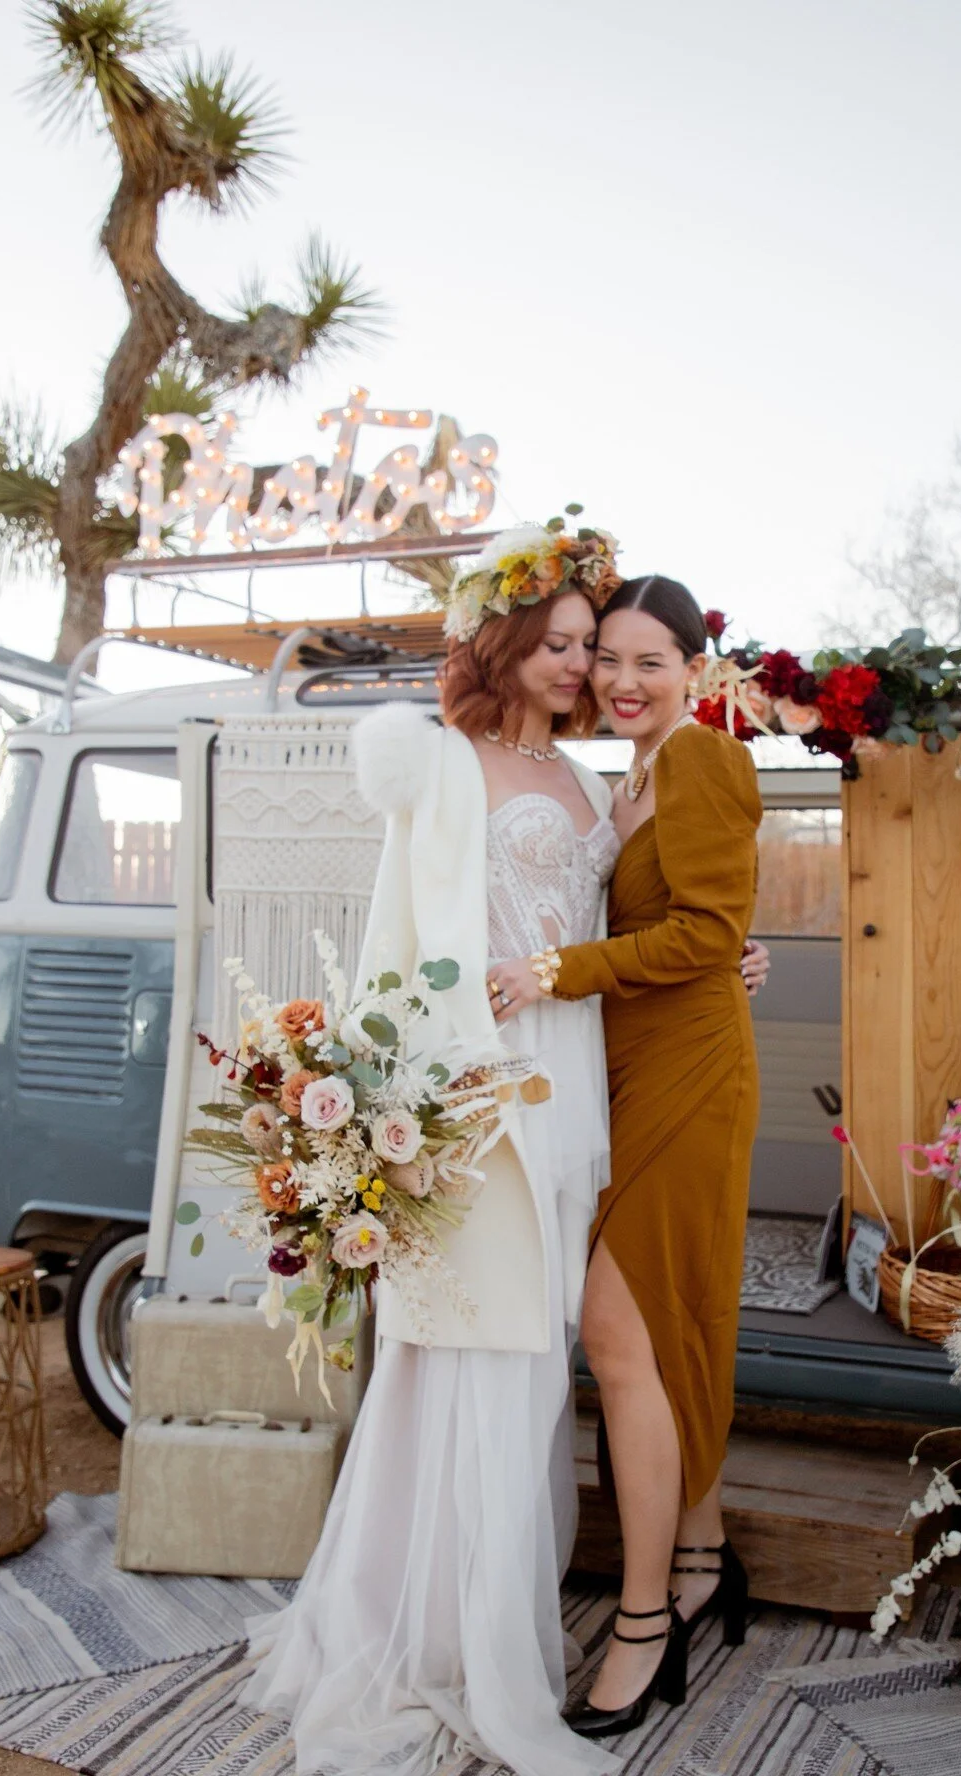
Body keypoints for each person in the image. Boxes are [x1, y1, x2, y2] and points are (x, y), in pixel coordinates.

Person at [241, 525, 626, 1776]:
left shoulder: (589, 781)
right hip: (477, 1101)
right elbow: (396, 943)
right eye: (557, 642)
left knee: (533, 1362)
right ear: (503, 638)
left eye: (586, 644)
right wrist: (391, 1115)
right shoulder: (446, 768)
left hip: (577, 1087)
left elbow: (603, 933)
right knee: (467, 1357)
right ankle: (441, 1650)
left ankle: (479, 1627)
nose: (575, 664)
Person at [486, 573, 763, 1738]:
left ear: (693, 668)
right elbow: (683, 926)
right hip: (626, 1068)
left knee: (619, 1329)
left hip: (690, 1076)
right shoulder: (628, 779)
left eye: (652, 660)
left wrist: (553, 974)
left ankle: (645, 1622)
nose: (623, 680)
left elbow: (705, 932)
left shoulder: (701, 758)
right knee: (669, 1320)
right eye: (609, 658)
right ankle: (702, 1558)